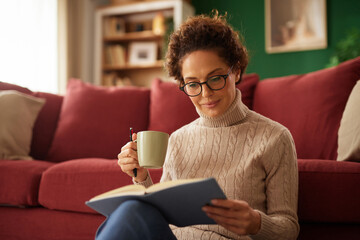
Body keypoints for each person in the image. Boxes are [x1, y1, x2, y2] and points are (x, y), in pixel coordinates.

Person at [96, 11, 299, 240]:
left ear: (237, 70)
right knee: (128, 212)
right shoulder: (178, 139)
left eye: (215, 78)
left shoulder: (275, 138)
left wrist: (255, 223)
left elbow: (289, 228)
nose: (205, 93)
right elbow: (162, 212)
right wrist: (141, 176)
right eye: (192, 84)